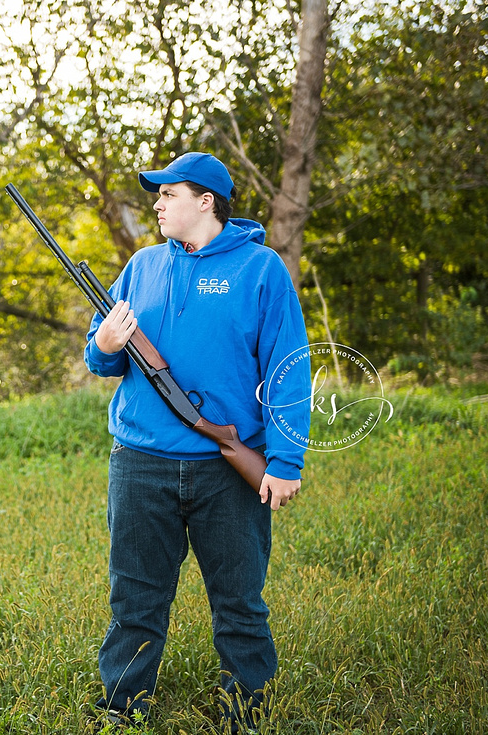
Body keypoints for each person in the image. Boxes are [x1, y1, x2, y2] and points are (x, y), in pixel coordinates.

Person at [84, 152, 311, 731]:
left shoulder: (262, 270)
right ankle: (122, 710)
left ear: (205, 201)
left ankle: (246, 710)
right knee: (134, 601)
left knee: (239, 602)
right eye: (156, 194)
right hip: (139, 464)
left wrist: (284, 460)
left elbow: (289, 368)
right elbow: (99, 358)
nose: (157, 204)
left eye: (168, 193)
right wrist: (106, 340)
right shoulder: (141, 266)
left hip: (223, 469)